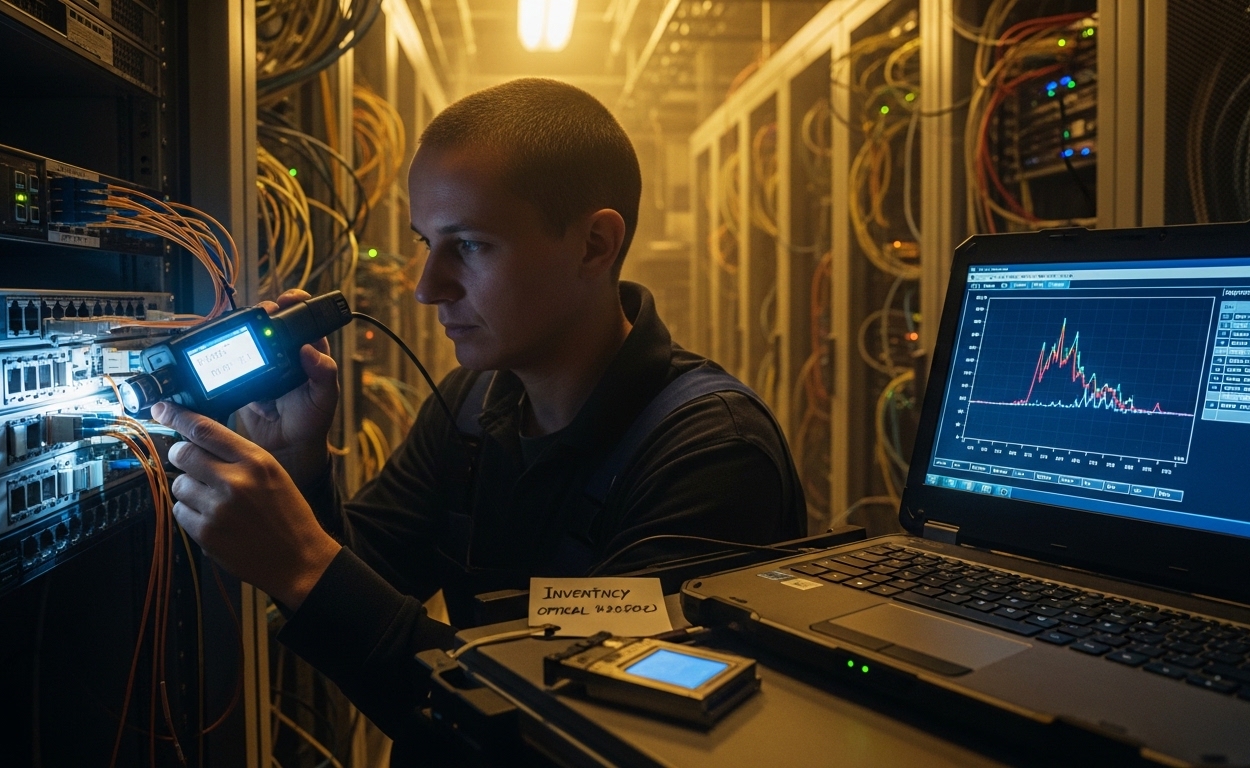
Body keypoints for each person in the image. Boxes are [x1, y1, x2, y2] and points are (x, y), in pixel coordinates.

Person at [152, 78, 806, 744]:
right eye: (424, 243)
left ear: (594, 244)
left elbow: (583, 738)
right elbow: (370, 573)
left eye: (468, 245)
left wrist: (305, 569)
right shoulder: (474, 404)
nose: (426, 287)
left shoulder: (711, 454)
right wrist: (300, 464)